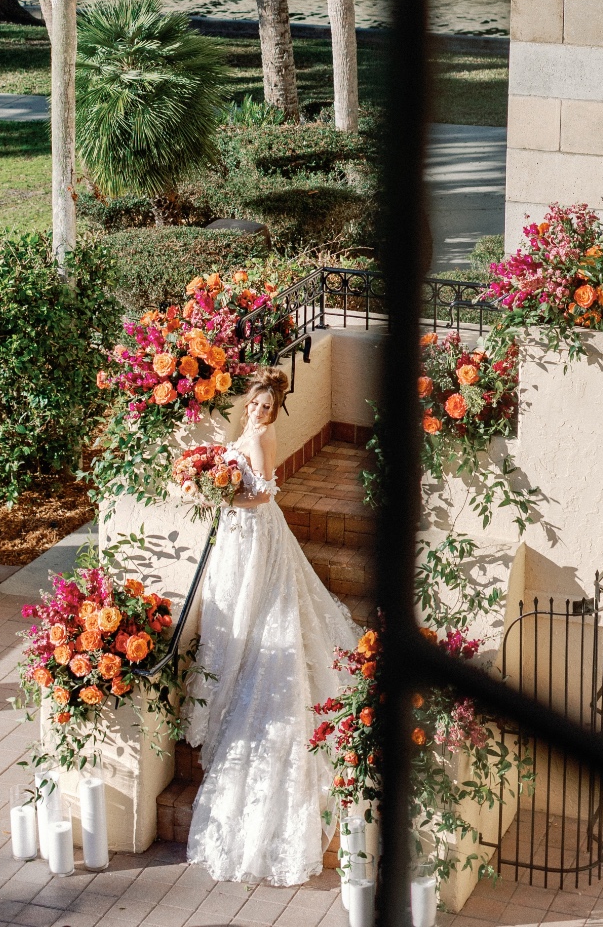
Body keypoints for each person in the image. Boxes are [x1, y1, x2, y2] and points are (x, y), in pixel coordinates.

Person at [184, 367, 356, 886]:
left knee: (261, 608)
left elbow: (264, 493)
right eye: (255, 406)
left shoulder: (263, 438)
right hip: (236, 532)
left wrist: (225, 497)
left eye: (266, 408)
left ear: (273, 412)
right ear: (247, 403)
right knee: (231, 603)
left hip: (255, 530)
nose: (259, 413)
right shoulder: (244, 433)